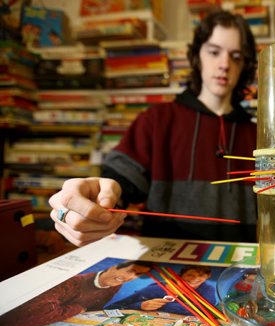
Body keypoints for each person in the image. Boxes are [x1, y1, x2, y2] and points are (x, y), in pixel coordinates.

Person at [48, 10, 258, 246]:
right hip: (166, 268)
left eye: (236, 56)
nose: (224, 64)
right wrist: (100, 195)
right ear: (197, 55)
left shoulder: (259, 135)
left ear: (244, 65)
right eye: (214, 52)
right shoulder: (156, 120)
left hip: (244, 270)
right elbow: (119, 181)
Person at [0, 260, 151, 326]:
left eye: (137, 274)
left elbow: (93, 311)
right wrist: (77, 308)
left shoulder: (115, 286)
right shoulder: (72, 282)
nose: (131, 277)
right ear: (113, 266)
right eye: (130, 271)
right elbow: (39, 313)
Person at [107, 265, 215, 316]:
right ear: (180, 275)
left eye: (201, 275)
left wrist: (164, 306)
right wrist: (141, 305)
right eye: (190, 274)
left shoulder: (207, 289)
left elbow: (202, 310)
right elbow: (115, 307)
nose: (195, 278)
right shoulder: (155, 289)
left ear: (208, 276)